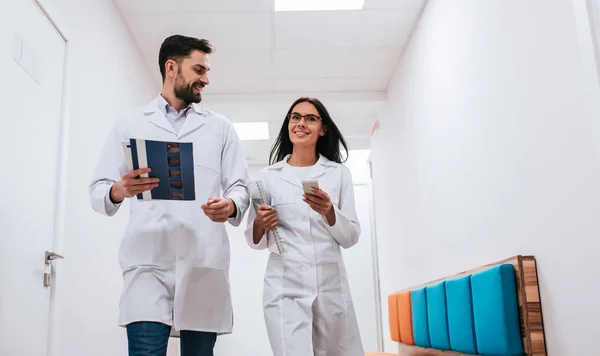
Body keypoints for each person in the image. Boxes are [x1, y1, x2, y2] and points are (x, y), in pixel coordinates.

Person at [89, 34, 250, 356]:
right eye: (199, 69)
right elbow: (98, 191)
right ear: (172, 67)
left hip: (203, 260)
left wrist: (230, 205)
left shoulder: (220, 128)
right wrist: (119, 190)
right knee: (145, 351)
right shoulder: (131, 123)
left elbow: (240, 188)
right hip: (149, 259)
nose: (205, 79)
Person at [244, 97, 365, 356]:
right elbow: (255, 240)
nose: (301, 123)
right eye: (295, 117)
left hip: (330, 282)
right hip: (285, 284)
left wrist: (330, 212)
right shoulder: (268, 177)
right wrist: (260, 223)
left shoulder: (338, 174)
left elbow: (351, 235)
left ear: (323, 129)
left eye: (310, 118)